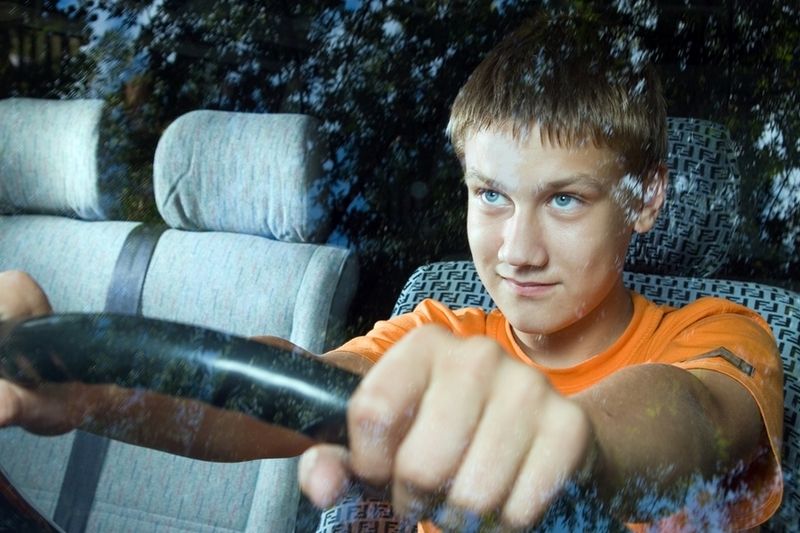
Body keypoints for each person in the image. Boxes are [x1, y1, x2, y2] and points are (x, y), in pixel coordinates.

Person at [0, 12, 784, 532]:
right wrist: (92, 387)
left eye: (565, 200)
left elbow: (691, 416)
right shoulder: (436, 329)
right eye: (491, 194)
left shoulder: (723, 331)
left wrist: (579, 449)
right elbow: (283, 388)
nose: (517, 248)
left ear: (644, 198)